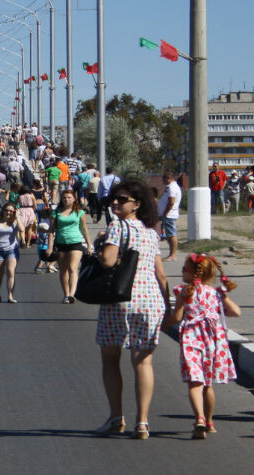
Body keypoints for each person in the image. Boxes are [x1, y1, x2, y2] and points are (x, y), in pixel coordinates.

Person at [94, 180, 169, 440]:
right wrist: (168, 307)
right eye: (114, 198)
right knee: (143, 361)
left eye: (122, 199)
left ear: (136, 204)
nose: (115, 202)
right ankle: (143, 422)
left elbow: (108, 261)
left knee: (110, 359)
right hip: (150, 301)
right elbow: (161, 274)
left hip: (120, 300)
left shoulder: (117, 226)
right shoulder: (151, 233)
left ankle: (116, 418)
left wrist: (100, 245)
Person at [162, 254, 241, 439]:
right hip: (213, 341)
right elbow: (236, 312)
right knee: (208, 385)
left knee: (194, 383)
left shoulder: (184, 291)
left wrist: (164, 325)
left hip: (192, 339)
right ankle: (209, 422)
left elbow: (177, 316)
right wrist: (224, 299)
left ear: (192, 273)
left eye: (184, 268)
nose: (182, 271)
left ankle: (199, 418)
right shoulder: (215, 293)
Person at [49, 189, 92, 304]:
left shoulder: (80, 212)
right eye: (64, 198)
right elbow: (51, 230)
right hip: (61, 243)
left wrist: (89, 245)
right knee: (63, 270)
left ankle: (72, 294)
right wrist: (50, 247)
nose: (66, 200)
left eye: (69, 197)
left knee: (73, 268)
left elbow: (84, 229)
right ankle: (66, 294)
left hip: (76, 242)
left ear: (74, 199)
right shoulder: (56, 212)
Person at [0, 203, 26, 303]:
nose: (8, 212)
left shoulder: (15, 221)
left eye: (11, 211)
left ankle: (10, 296)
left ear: (14, 212)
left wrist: (17, 217)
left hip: (11, 250)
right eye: (7, 210)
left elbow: (22, 229)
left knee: (11, 272)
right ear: (3, 210)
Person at [158, 172, 181, 261]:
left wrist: (165, 213)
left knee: (171, 234)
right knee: (169, 235)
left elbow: (171, 202)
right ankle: (171, 254)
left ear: (168, 178)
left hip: (169, 215)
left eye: (164, 179)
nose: (163, 181)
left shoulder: (172, 188)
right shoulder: (170, 187)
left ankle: (173, 255)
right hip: (168, 214)